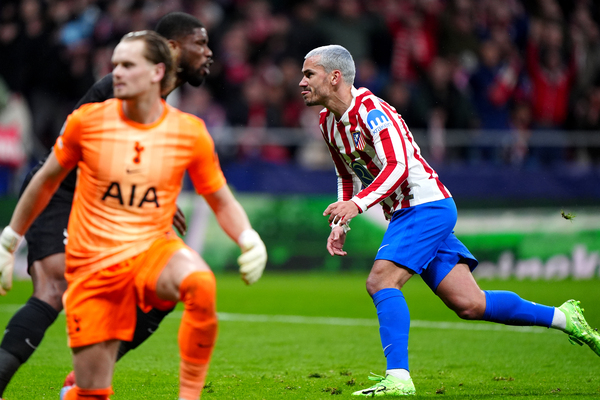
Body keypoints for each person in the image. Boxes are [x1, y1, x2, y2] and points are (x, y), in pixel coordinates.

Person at [298, 44, 600, 397]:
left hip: (424, 206)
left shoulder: (372, 111)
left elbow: (398, 166)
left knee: (381, 281)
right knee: (470, 303)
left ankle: (398, 378)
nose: (301, 82)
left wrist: (358, 205)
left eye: (309, 74)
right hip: (410, 212)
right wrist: (341, 221)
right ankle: (565, 317)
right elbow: (346, 175)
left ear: (334, 77)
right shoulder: (328, 122)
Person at [1, 30, 266, 400]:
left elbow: (219, 198)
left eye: (127, 65)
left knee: (200, 283)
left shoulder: (189, 131)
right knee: (92, 392)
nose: (117, 73)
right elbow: (44, 181)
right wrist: (10, 239)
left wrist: (248, 237)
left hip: (151, 249)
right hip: (94, 262)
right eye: (115, 65)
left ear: (157, 71)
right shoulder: (86, 122)